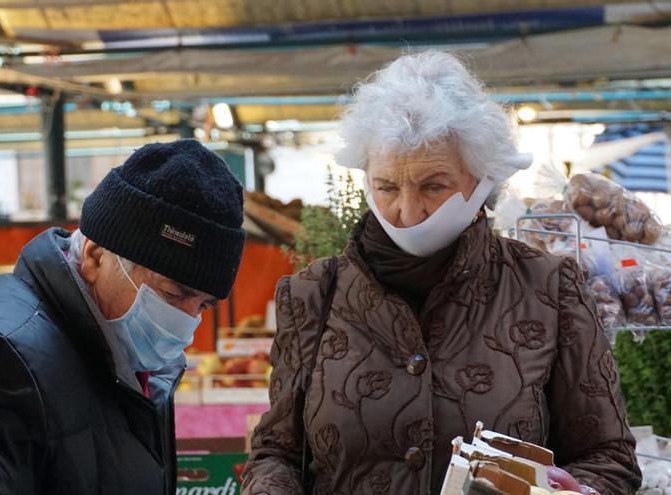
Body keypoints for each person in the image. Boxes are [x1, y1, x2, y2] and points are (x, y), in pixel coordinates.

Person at [242, 51, 641, 495]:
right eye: (387, 187)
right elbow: (276, 453)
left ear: (483, 179)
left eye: (434, 185)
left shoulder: (548, 289)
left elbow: (608, 457)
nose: (408, 211)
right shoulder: (313, 295)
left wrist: (579, 489)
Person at [0, 140, 246, 494]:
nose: (186, 323)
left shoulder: (118, 352)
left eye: (204, 305)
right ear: (94, 256)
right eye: (173, 294)